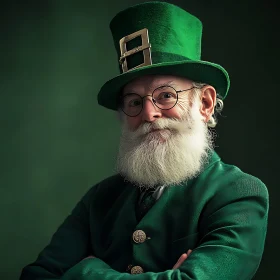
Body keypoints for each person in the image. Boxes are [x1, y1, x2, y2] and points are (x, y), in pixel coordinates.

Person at [19, 1, 269, 279]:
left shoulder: (239, 193)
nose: (149, 113)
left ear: (205, 104)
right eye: (135, 102)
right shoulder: (99, 200)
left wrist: (86, 271)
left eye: (166, 95)